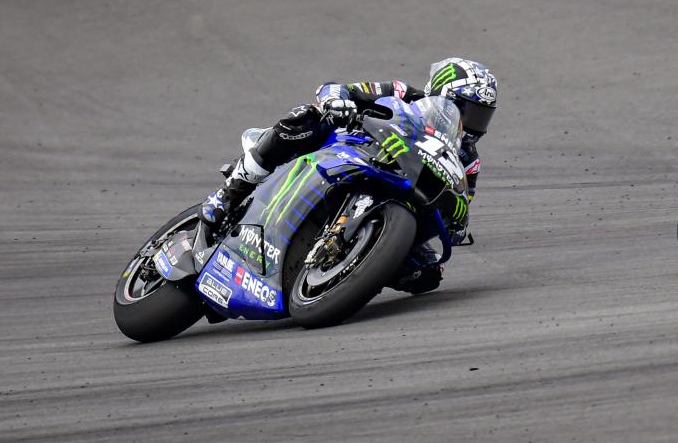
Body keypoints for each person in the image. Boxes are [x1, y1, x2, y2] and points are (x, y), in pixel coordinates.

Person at [200, 57, 498, 290]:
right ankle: (230, 192)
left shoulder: (466, 159)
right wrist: (338, 101)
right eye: (469, 110)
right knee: (307, 116)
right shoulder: (404, 94)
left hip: (399, 191)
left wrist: (456, 224)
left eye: (484, 115)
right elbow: (336, 89)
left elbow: (462, 199)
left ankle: (349, 272)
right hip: (346, 149)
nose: (475, 123)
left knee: (427, 275)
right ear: (445, 95)